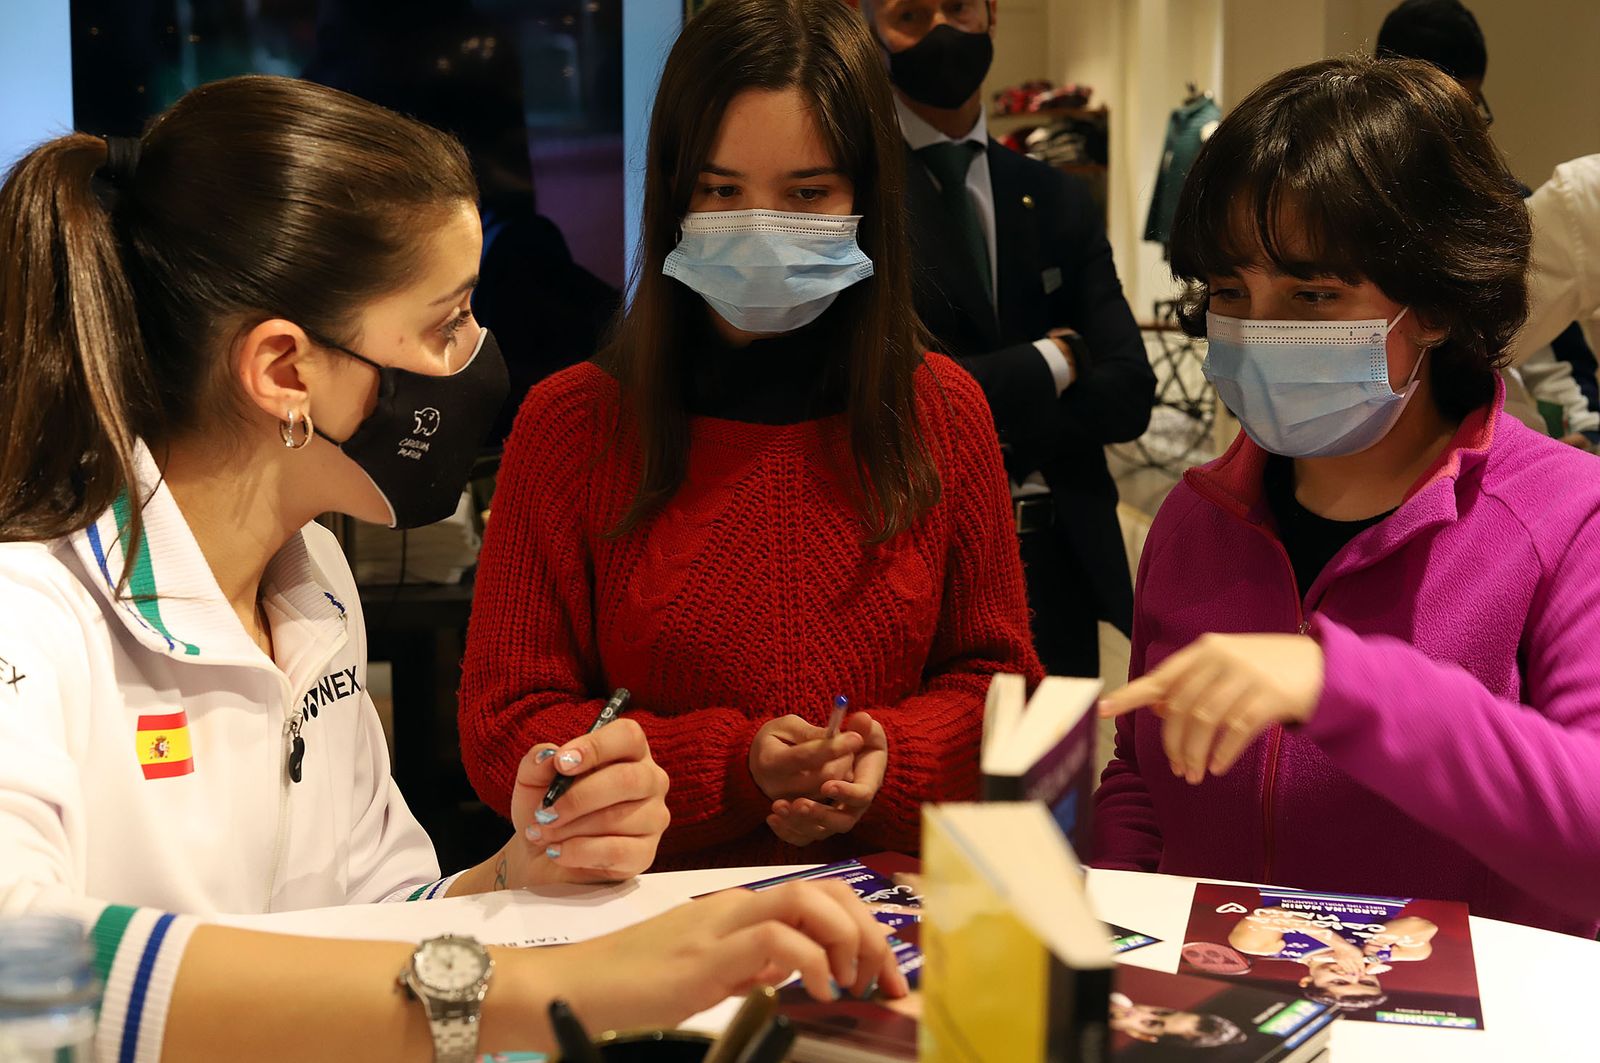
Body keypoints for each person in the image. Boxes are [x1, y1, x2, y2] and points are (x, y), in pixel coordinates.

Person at [0, 75, 906, 1063]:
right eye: (445, 325)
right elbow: (17, 962)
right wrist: (561, 983)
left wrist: (527, 869)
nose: (477, 357)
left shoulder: (309, 585)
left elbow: (374, 921)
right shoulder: (31, 607)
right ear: (286, 372)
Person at [458, 0, 1040, 869]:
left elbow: (999, 687)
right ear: (673, 195)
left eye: (807, 193)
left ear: (864, 197)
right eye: (721, 191)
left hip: (890, 917)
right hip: (641, 923)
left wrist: (890, 760)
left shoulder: (942, 410)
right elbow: (509, 721)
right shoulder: (571, 425)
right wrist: (731, 766)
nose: (762, 224)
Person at [1093, 55, 1600, 939]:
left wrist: (1349, 685)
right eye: (1228, 293)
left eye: (1313, 294)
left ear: (1436, 302)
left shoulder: (1567, 518)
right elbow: (1142, 775)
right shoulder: (1196, 516)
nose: (1258, 334)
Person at [859, 0, 1154, 677]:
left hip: (1063, 567)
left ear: (991, 13)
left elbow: (1131, 391)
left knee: (1061, 780)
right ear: (872, 25)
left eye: (958, 7)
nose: (940, 30)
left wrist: (981, 392)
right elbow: (895, 403)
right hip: (917, 565)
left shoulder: (1055, 196)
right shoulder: (854, 197)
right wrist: (1060, 357)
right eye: (910, 12)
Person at [1376, 0, 1600, 452]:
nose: (1448, 139)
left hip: (1477, 450)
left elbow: (1540, 339)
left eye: (1464, 114)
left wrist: (1587, 428)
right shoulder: (1333, 208)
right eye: (1429, 116)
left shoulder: (1503, 207)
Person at [1225, 906, 1439, 1010]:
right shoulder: (1405, 953)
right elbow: (1421, 925)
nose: (1353, 974)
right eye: (1365, 981)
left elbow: (1271, 916)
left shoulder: (1265, 947)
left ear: (1307, 981)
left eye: (1339, 981)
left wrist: (1340, 946)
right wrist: (1373, 948)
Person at [1108, 994, 1247, 1047]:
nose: (1141, 1013)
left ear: (1143, 1036)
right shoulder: (1118, 999)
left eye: (1150, 1023)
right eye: (1159, 1012)